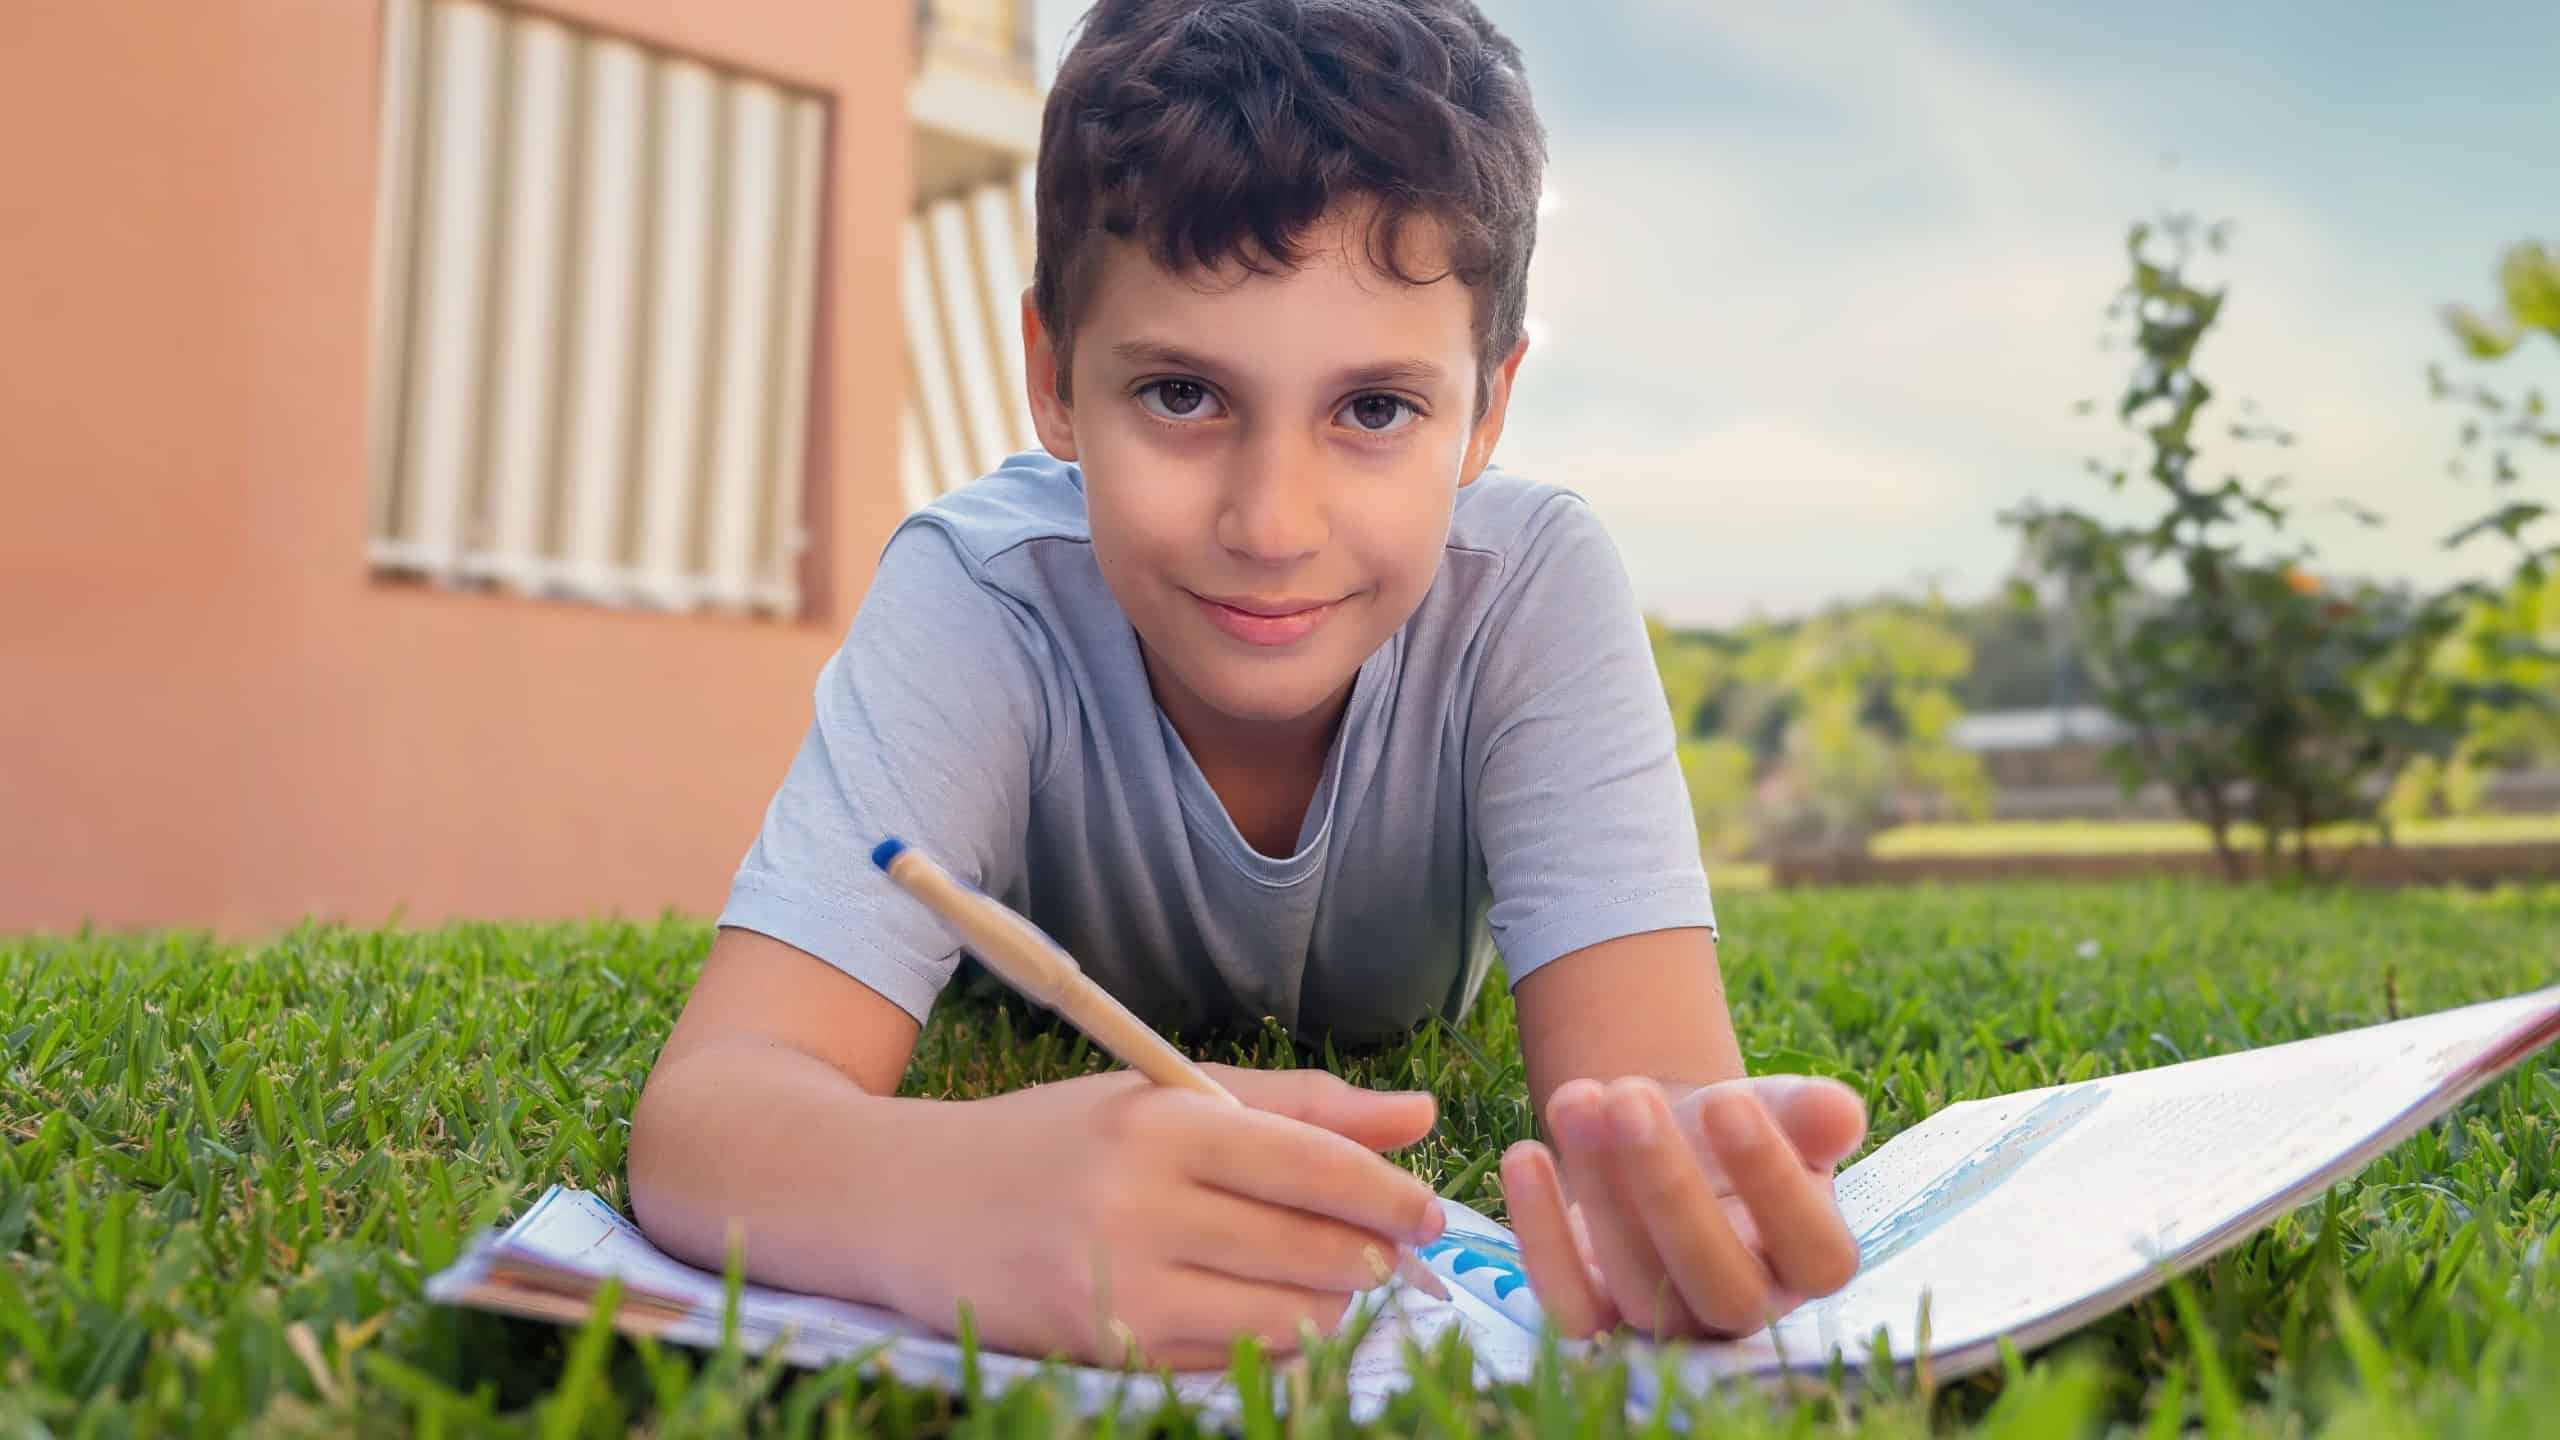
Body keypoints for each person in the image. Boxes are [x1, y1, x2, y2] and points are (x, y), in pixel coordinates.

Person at [628, 0, 1867, 1373]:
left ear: (1488, 411)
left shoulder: (1532, 590)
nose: (1273, 525)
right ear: (1053, 378)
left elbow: (1656, 1099)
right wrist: (941, 1194)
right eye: (1179, 394)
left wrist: (1684, 1185)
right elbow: (708, 1119)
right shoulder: (977, 598)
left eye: (1376, 410)